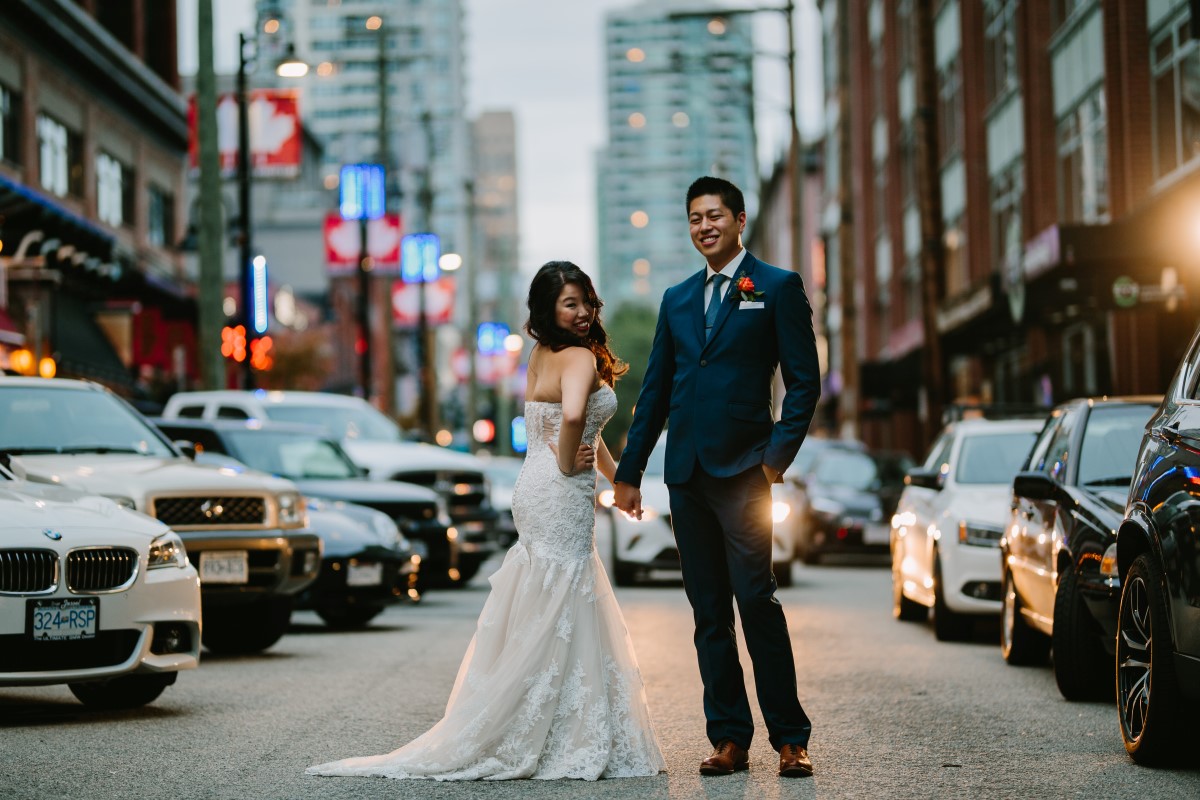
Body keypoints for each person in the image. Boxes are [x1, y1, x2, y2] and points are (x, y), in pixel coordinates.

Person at [307, 261, 665, 782]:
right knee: (564, 593)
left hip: (534, 485)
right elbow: (571, 422)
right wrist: (570, 464)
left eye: (587, 300)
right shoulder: (580, 358)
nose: (584, 311)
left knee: (549, 598)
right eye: (571, 304)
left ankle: (537, 720)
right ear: (549, 309)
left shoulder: (543, 354)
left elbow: (583, 426)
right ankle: (557, 729)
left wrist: (616, 479)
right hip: (558, 488)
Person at [613, 176, 820, 779]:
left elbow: (803, 382)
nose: (705, 226)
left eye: (715, 216)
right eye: (696, 218)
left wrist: (773, 461)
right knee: (708, 611)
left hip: (746, 474)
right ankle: (729, 738)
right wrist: (631, 472)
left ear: (739, 220)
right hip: (688, 476)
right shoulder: (677, 299)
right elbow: (654, 391)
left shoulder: (777, 287)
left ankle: (790, 737)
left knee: (756, 600)